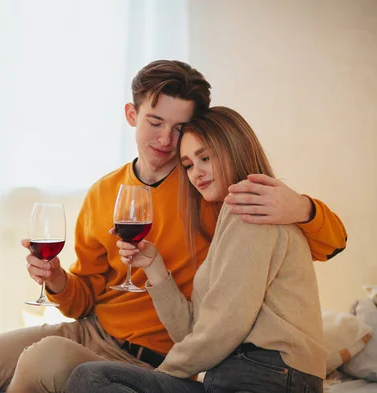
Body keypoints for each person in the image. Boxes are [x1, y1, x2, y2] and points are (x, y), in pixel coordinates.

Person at [0, 61, 347, 393]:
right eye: (154, 122)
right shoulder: (105, 192)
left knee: (41, 361)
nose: (164, 140)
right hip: (92, 332)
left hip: (156, 355)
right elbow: (82, 296)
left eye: (179, 130)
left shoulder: (212, 190)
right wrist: (57, 279)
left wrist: (304, 207)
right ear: (131, 114)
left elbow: (326, 244)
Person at [65, 106, 327, 393]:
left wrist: (160, 375)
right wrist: (154, 267)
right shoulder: (228, 219)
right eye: (188, 164)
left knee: (95, 379)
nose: (196, 173)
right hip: (235, 376)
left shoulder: (252, 209)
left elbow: (223, 329)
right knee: (93, 377)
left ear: (234, 149)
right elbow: (191, 331)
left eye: (205, 158)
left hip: (271, 375)